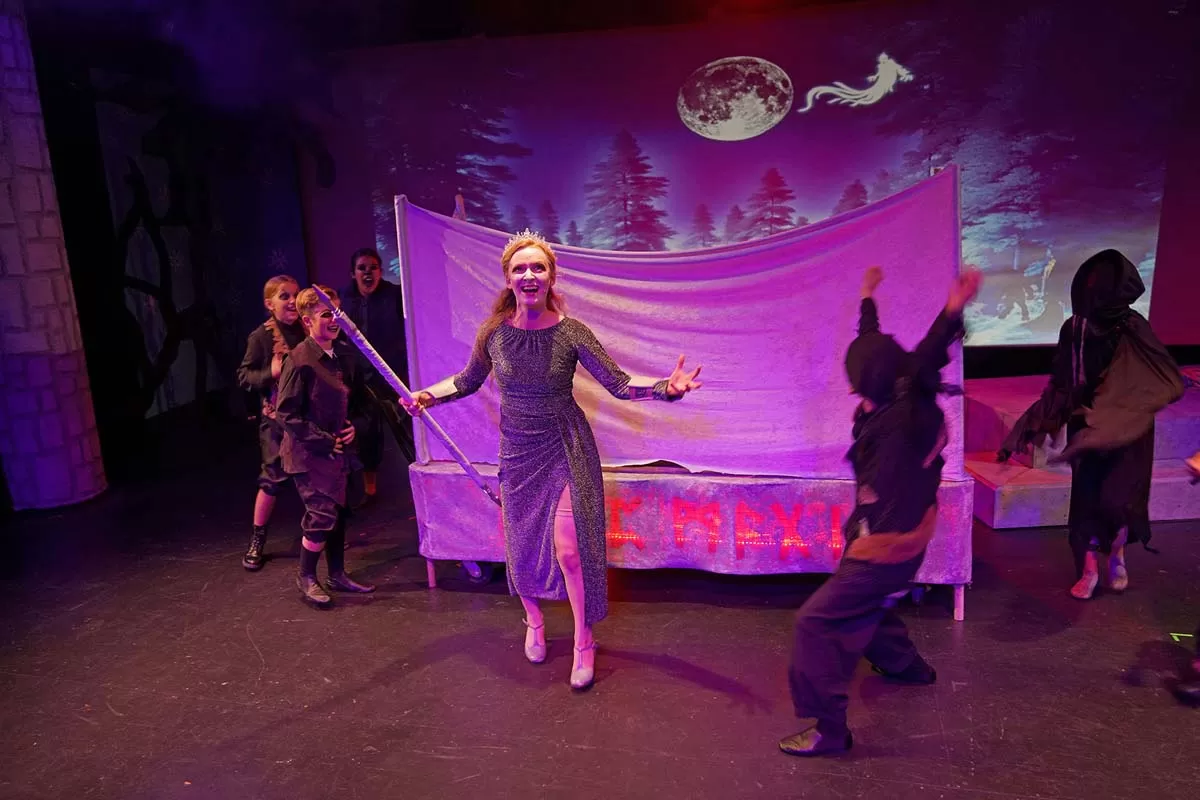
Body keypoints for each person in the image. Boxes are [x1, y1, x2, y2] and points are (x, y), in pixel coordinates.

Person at [401, 231, 702, 690]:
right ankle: (535, 621)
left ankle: (584, 640)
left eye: (537, 267)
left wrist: (666, 388)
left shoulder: (572, 332)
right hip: (519, 451)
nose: (529, 275)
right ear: (508, 279)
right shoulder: (494, 334)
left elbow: (620, 385)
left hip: (565, 445)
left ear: (551, 277)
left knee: (569, 551)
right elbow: (465, 381)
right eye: (519, 268)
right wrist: (426, 395)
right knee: (521, 545)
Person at [780, 265, 980, 757]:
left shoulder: (896, 437)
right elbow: (921, 351)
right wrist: (871, 297)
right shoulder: (907, 390)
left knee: (817, 623)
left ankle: (829, 730)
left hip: (888, 546)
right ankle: (907, 666)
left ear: (858, 388)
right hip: (898, 541)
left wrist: (866, 545)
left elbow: (889, 510)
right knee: (868, 605)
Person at [999, 250, 1183, 600]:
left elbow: (1155, 374)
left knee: (1119, 501)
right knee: (1087, 500)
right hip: (1087, 423)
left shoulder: (1132, 327)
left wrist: (1122, 409)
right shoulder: (1076, 328)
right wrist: (1032, 423)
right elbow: (1062, 380)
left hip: (1129, 429)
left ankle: (1117, 555)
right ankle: (1088, 569)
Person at [276, 286, 377, 606]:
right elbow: (286, 413)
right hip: (308, 454)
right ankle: (306, 576)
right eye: (326, 315)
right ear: (307, 321)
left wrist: (354, 427)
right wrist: (323, 439)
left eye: (337, 313)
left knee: (340, 511)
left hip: (338, 453)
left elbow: (361, 403)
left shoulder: (344, 355)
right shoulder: (299, 360)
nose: (334, 320)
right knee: (321, 514)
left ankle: (337, 574)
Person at [236, 275, 307, 572]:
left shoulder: (307, 327)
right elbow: (244, 376)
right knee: (272, 479)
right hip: (276, 421)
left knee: (312, 474)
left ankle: (320, 531)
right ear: (269, 304)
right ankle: (258, 538)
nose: (291, 301)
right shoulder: (261, 337)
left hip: (305, 417)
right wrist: (271, 373)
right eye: (284, 296)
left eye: (295, 295)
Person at [340, 247, 416, 504]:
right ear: (353, 273)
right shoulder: (344, 298)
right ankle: (369, 491)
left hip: (393, 377)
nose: (368, 273)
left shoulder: (394, 295)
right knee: (368, 436)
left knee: (408, 432)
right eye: (362, 268)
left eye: (373, 267)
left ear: (381, 271)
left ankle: (424, 484)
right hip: (361, 380)